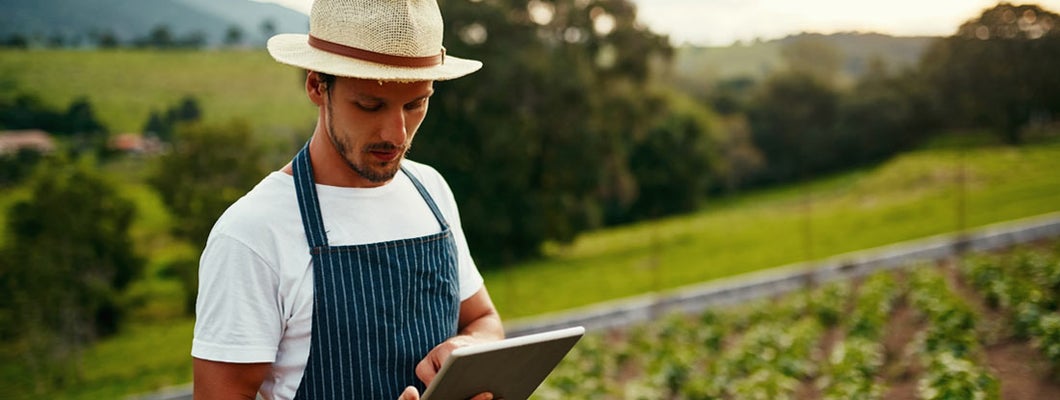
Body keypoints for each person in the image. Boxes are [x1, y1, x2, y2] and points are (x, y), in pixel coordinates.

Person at [190, 1, 504, 399]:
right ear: (316, 86)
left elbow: (483, 320)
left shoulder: (431, 190)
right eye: (370, 105)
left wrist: (467, 348)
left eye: (416, 103)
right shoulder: (252, 234)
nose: (397, 133)